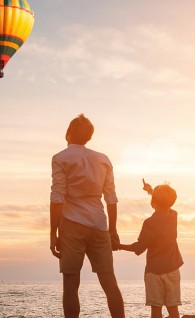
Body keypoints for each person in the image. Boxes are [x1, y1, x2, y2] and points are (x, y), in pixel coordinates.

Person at [49, 114, 125, 318]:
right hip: (99, 225)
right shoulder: (103, 159)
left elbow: (57, 198)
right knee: (109, 282)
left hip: (72, 225)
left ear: (67, 133)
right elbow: (111, 198)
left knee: (71, 285)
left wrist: (53, 234)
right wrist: (113, 231)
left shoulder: (61, 158)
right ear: (89, 137)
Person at [118, 179, 184, 318]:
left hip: (154, 272)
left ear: (153, 201)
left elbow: (138, 248)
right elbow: (163, 202)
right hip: (173, 270)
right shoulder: (173, 216)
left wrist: (118, 246)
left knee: (156, 309)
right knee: (173, 309)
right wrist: (150, 191)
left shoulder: (150, 223)